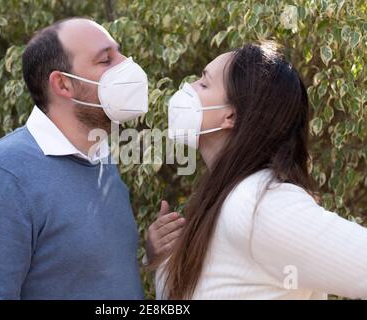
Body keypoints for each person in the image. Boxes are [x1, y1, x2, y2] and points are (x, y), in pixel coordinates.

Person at [0, 17, 157, 299]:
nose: (127, 66)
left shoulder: (101, 160)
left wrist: (150, 256)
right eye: (106, 60)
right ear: (63, 84)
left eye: (119, 52)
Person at [149, 41, 367, 300]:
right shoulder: (225, 195)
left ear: (230, 116)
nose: (189, 88)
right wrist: (160, 259)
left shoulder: (261, 205)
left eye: (204, 84)